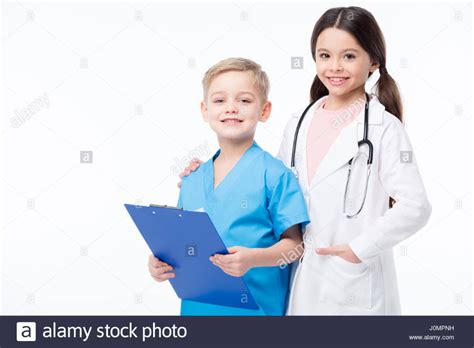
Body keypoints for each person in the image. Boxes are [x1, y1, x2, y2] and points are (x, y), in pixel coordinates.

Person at [180, 7, 432, 315]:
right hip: (302, 281)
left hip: (355, 284)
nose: (335, 67)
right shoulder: (300, 122)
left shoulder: (383, 128)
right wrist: (205, 173)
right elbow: (264, 187)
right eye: (324, 55)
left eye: (349, 56)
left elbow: (415, 206)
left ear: (374, 61)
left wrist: (358, 249)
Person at [148, 57, 310, 315]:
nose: (231, 108)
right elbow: (181, 243)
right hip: (197, 309)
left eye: (244, 100)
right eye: (220, 100)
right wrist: (160, 263)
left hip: (256, 312)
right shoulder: (192, 179)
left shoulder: (275, 175)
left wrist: (253, 259)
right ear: (204, 110)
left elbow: (296, 246)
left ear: (264, 110)